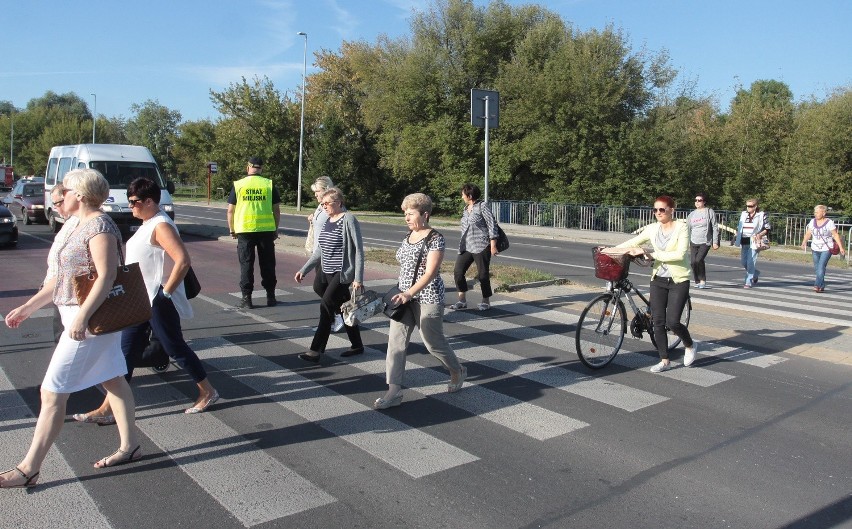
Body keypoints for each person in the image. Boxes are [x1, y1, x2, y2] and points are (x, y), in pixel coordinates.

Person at [2, 169, 142, 488]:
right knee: (113, 380)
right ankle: (130, 445)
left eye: (65, 190)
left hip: (90, 321)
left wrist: (82, 319)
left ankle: (29, 468)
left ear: (79, 195)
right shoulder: (71, 225)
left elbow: (107, 276)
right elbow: (59, 279)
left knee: (51, 393)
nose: (60, 194)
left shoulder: (100, 226)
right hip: (75, 315)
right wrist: (28, 307)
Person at [74, 177, 219, 423]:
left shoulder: (160, 225)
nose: (131, 206)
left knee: (174, 347)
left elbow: (182, 260)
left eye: (134, 202)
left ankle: (208, 391)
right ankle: (108, 408)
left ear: (150, 201)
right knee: (126, 352)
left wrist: (165, 292)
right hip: (140, 300)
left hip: (156, 299)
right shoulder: (148, 222)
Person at [375, 193, 467, 409]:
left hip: (428, 297)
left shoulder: (435, 238)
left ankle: (457, 370)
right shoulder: (407, 237)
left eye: (410, 213)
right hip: (403, 298)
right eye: (405, 214)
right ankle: (394, 391)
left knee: (432, 342)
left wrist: (410, 292)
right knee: (396, 344)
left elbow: (431, 272)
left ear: (425, 214)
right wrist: (403, 293)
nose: (406, 218)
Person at [605, 195, 697, 373]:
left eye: (662, 209)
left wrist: (653, 254)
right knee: (658, 321)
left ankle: (689, 344)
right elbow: (633, 241)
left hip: (678, 280)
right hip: (658, 280)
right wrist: (611, 249)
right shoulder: (653, 229)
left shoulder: (682, 228)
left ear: (672, 210)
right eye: (655, 210)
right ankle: (664, 360)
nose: (658, 213)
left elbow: (680, 254)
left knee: (672, 322)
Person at [294, 187, 365, 362]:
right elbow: (319, 250)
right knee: (338, 302)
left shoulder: (348, 219)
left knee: (326, 305)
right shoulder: (328, 220)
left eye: (327, 203)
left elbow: (359, 251)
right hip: (325, 271)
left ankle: (315, 350)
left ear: (339, 203)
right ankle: (357, 344)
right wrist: (304, 269)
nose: (324, 206)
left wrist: (358, 278)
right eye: (322, 203)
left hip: (341, 273)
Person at [226, 156, 281, 309]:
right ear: (261, 169)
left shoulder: (239, 185)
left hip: (244, 231)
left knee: (246, 264)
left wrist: (232, 229)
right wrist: (275, 229)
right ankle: (271, 297)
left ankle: (247, 299)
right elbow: (276, 211)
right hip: (266, 231)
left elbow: (230, 211)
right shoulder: (269, 184)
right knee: (268, 264)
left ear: (248, 167)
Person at [451, 183, 499, 311]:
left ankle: (486, 301)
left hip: (481, 245)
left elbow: (492, 224)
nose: (462, 197)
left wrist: (493, 244)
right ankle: (462, 300)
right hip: (466, 246)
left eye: (463, 194)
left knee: (483, 274)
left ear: (469, 195)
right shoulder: (466, 209)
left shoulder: (482, 206)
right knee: (458, 272)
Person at [307, 176, 344, 333]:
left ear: (326, 190)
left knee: (326, 292)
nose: (315, 195)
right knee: (323, 289)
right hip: (319, 255)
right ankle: (341, 316)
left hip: (330, 257)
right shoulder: (321, 207)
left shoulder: (334, 209)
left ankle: (337, 317)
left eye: (318, 191)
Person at [47, 184, 80, 343]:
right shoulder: (68, 223)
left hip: (69, 294)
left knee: (64, 339)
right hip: (59, 291)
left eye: (58, 203)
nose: (56, 208)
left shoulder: (80, 224)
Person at [801, 204, 846, 292]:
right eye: (815, 212)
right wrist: (804, 242)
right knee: (817, 268)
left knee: (821, 267)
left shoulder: (829, 222)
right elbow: (808, 233)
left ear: (824, 213)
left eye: (817, 212)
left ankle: (817, 285)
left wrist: (841, 247)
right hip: (815, 248)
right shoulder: (812, 221)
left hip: (826, 248)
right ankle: (821, 285)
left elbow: (835, 235)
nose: (815, 214)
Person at [733, 198, 770, 288]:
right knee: (743, 262)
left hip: (754, 241)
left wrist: (760, 234)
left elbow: (767, 228)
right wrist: (737, 233)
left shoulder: (761, 215)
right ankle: (755, 273)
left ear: (755, 206)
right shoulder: (744, 214)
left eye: (750, 206)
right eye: (747, 206)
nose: (748, 208)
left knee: (750, 262)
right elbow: (740, 226)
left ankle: (748, 281)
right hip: (744, 240)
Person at [686, 192, 720, 289]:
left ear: (704, 202)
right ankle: (697, 280)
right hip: (693, 240)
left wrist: (715, 242)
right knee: (693, 262)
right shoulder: (692, 214)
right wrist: (686, 241)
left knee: (699, 260)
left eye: (699, 200)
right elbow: (688, 228)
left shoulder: (709, 212)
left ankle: (702, 280)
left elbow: (714, 226)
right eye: (696, 200)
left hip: (705, 241)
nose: (697, 202)